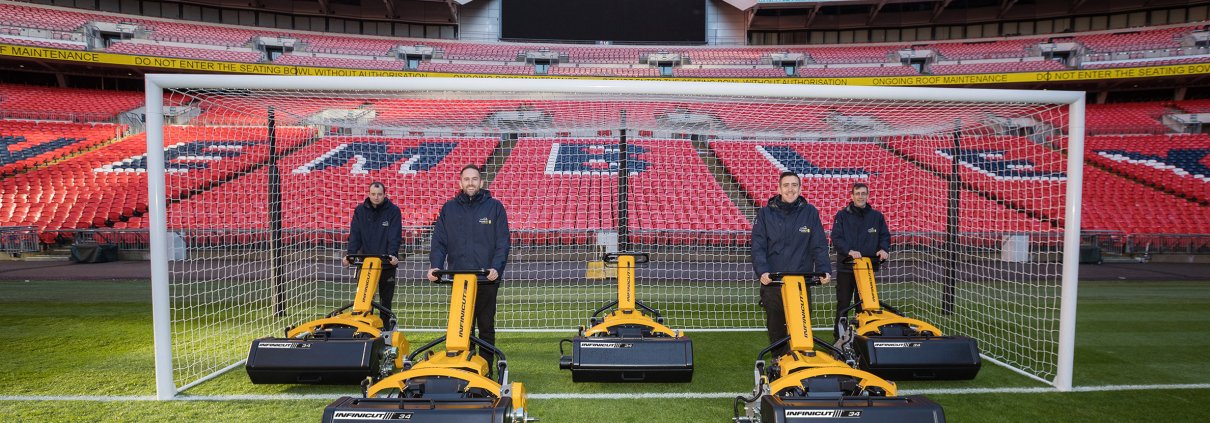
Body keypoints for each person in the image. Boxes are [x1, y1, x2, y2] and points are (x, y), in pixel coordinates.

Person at [427, 164, 510, 365]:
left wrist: (496, 268)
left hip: (486, 279)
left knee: (486, 327)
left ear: (481, 183)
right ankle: (465, 368)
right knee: (462, 327)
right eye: (467, 179)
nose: (470, 183)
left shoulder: (495, 207)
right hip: (460, 278)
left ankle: (486, 370)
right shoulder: (449, 209)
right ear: (460, 182)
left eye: (474, 179)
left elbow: (503, 242)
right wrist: (436, 265)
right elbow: (439, 241)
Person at [751, 171, 832, 358]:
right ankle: (778, 362)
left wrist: (824, 269)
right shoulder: (765, 214)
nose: (790, 189)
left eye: (794, 185)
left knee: (801, 328)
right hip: (774, 282)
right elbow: (758, 247)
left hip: (800, 283)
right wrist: (763, 271)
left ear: (800, 188)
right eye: (786, 185)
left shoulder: (810, 212)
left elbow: (819, 245)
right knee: (777, 328)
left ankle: (801, 364)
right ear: (779, 189)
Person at [830, 183, 891, 341]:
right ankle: (839, 338)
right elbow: (836, 238)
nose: (860, 196)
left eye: (863, 193)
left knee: (864, 306)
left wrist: (884, 249)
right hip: (846, 268)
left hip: (867, 269)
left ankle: (862, 338)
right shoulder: (842, 215)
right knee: (843, 305)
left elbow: (885, 236)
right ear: (852, 196)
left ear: (868, 195)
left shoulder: (876, 216)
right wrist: (849, 251)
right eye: (857, 193)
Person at [345, 181, 402, 321]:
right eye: (373, 194)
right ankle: (365, 329)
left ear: (385, 194)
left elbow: (394, 236)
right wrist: (350, 254)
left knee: (385, 301)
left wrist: (392, 255)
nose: (376, 197)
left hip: (386, 263)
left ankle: (385, 330)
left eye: (379, 194)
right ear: (369, 194)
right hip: (365, 264)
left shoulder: (393, 211)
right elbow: (355, 235)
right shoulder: (360, 211)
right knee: (364, 299)